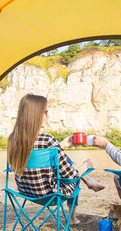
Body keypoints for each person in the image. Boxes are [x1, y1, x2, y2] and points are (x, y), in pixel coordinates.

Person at [7, 94, 105, 223]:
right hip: (50, 194)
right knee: (74, 176)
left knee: (65, 162)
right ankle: (72, 217)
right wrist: (86, 166)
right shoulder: (48, 140)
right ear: (36, 114)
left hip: (25, 191)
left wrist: (61, 146)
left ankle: (88, 181)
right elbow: (71, 176)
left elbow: (34, 148)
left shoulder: (12, 140)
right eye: (46, 112)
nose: (48, 116)